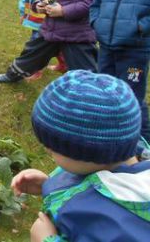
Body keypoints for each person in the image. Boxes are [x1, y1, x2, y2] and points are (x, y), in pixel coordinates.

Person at [11, 70, 150, 242]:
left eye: (53, 148)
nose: (47, 150)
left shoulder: (110, 223)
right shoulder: (132, 165)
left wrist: (48, 240)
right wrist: (49, 184)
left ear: (88, 152)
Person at [91, 0, 150, 141]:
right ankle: (108, 133)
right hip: (107, 46)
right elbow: (95, 4)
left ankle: (142, 140)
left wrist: (139, 28)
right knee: (105, 89)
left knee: (132, 94)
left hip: (135, 51)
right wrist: (96, 23)